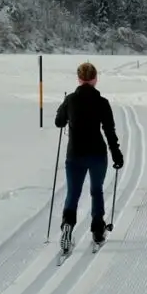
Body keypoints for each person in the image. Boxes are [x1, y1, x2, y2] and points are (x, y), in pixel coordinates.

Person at [54, 62, 124, 252]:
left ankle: (67, 225)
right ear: (95, 79)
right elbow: (109, 130)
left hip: (75, 154)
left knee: (73, 193)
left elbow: (58, 122)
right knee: (96, 191)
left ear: (79, 79)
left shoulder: (70, 100)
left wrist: (64, 108)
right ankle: (98, 230)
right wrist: (116, 154)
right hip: (97, 154)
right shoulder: (102, 102)